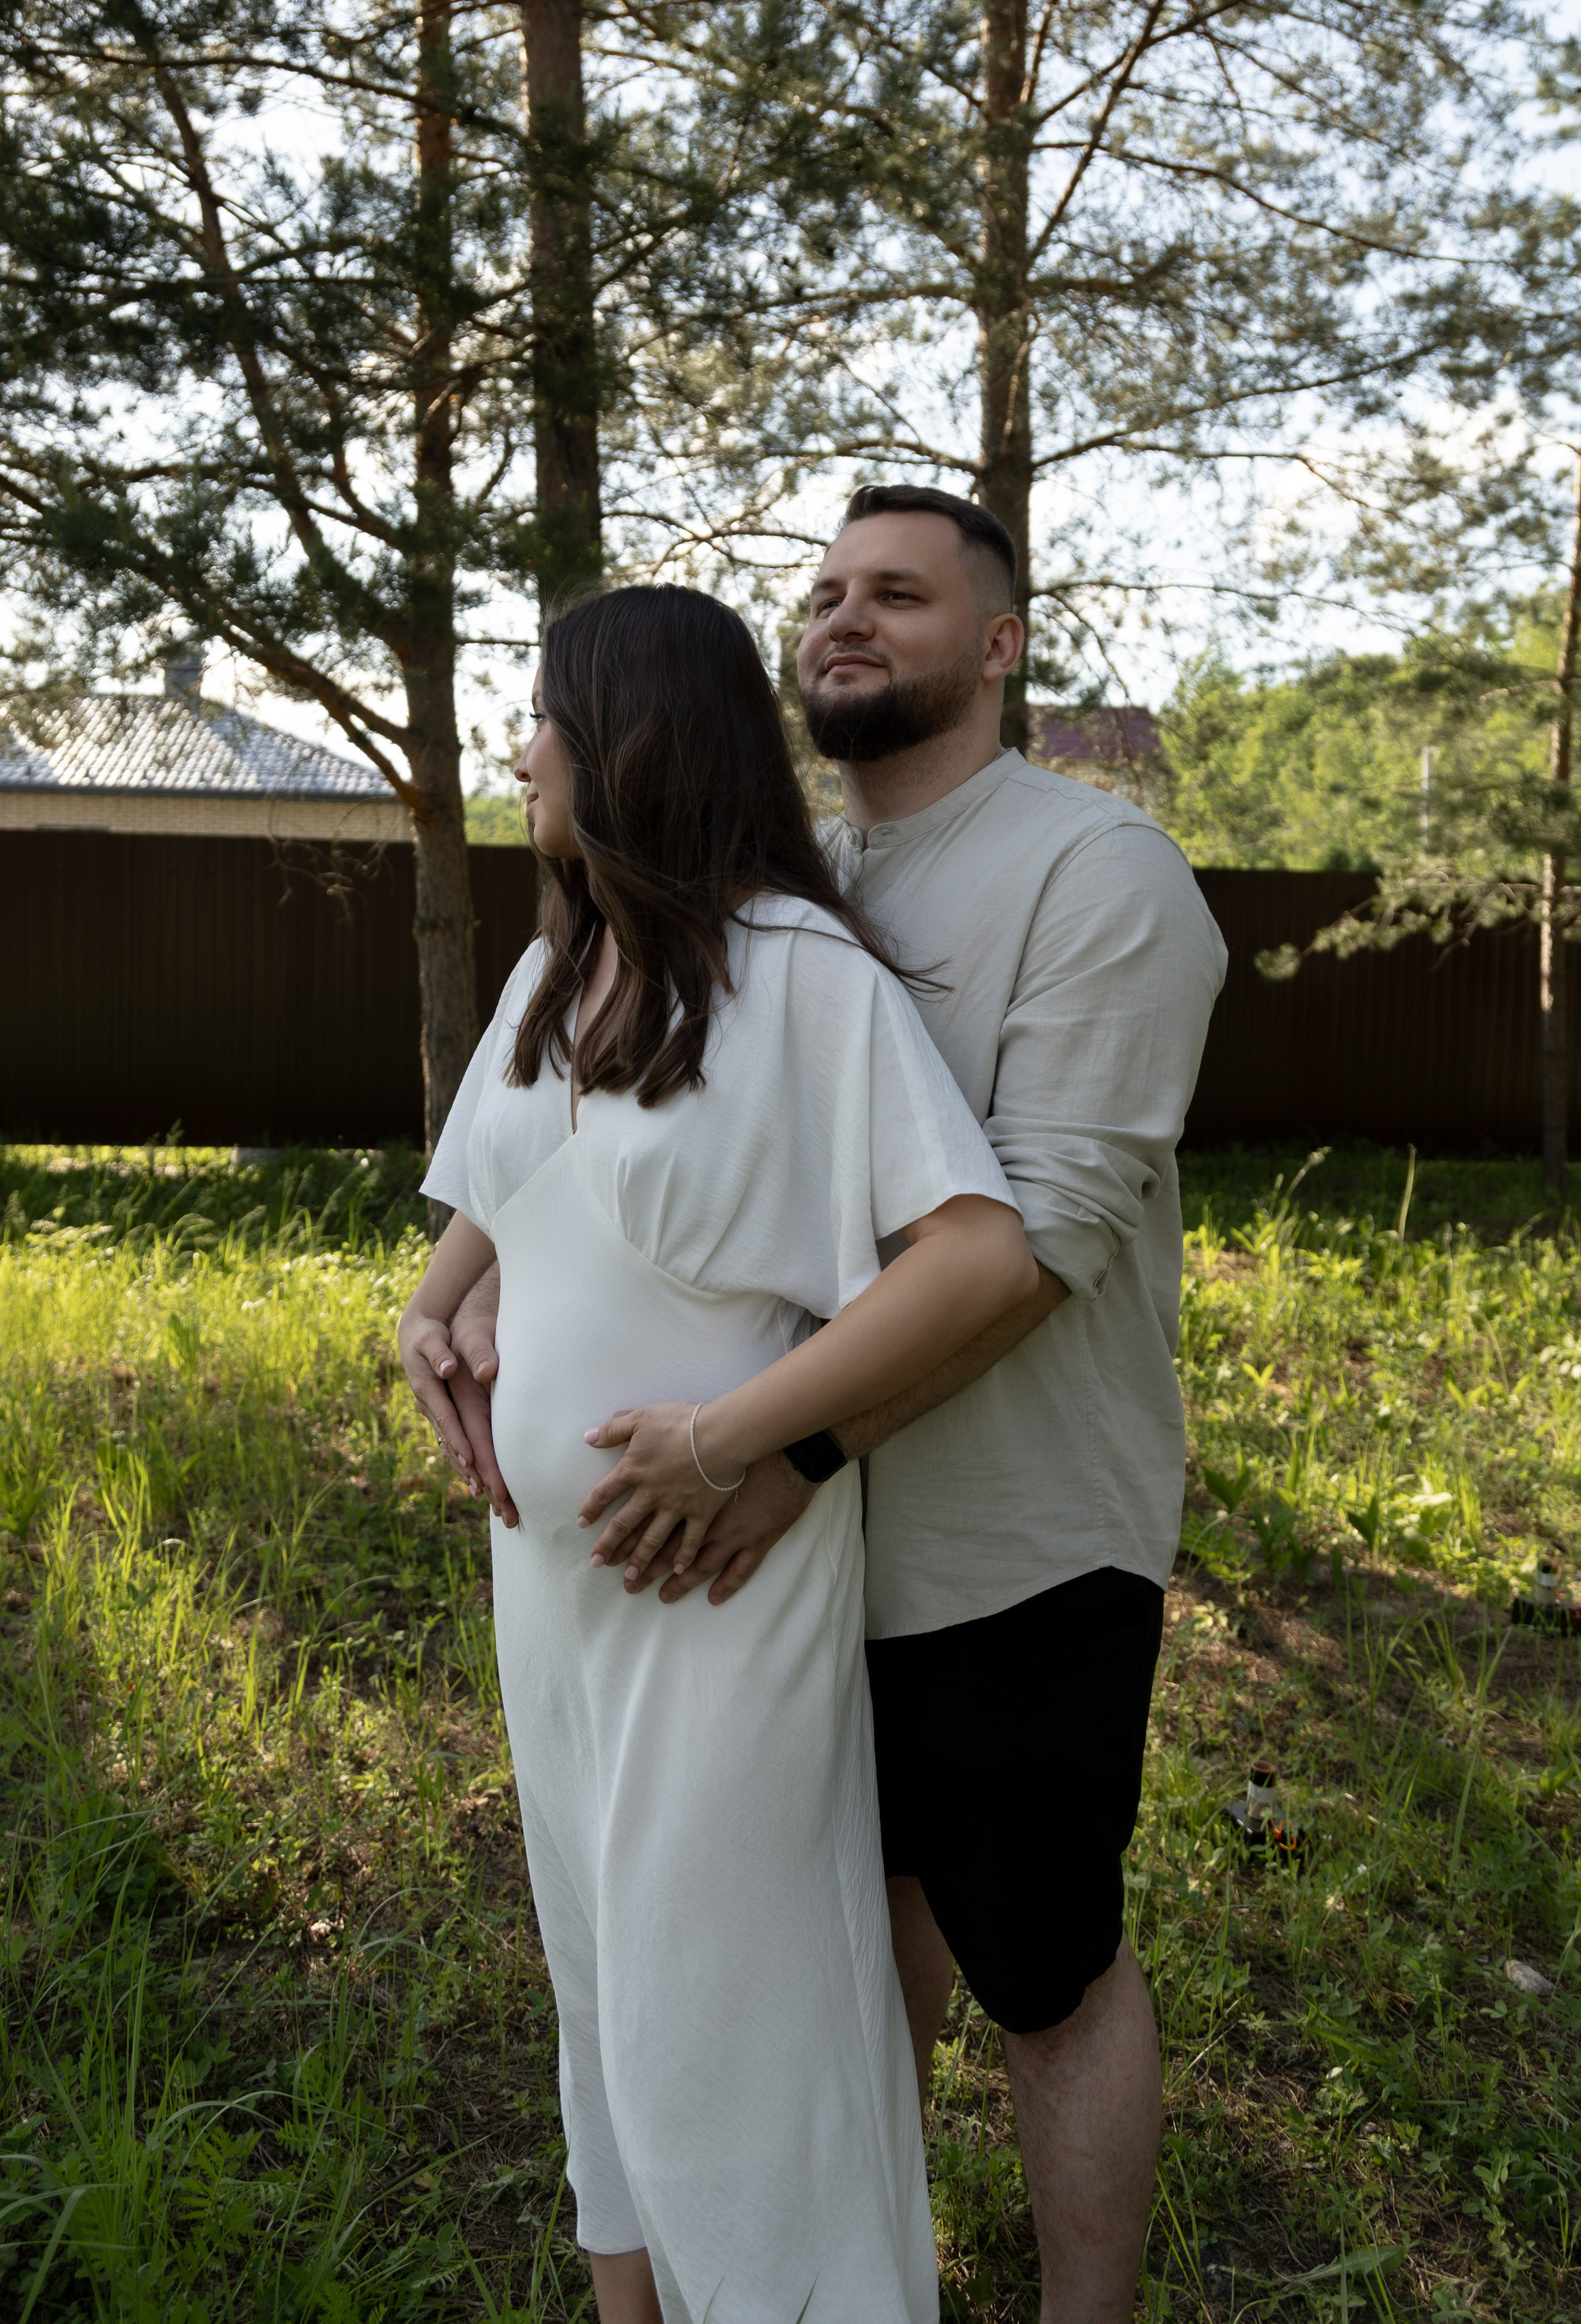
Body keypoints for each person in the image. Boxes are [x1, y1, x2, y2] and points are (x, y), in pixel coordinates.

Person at [436, 491, 1228, 2324]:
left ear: (1002, 643)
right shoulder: (786, 883)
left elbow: (1031, 1247)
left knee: (1044, 1965)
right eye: (822, 593)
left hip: (1001, 1543)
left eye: (899, 593)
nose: (844, 619)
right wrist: (461, 1287)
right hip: (772, 1570)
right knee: (816, 1966)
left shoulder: (1093, 877)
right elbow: (617, 1088)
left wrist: (775, 1445)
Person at [397, 584, 1037, 2324]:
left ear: (630, 735)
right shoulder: (556, 960)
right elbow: (495, 1198)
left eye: (545, 711)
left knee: (729, 2011)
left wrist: (728, 1436)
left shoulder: (799, 975)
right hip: (550, 1585)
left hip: (711, 1582)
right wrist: (429, 1315)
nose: (521, 745)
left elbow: (977, 1255)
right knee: (596, 1975)